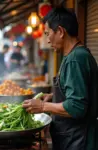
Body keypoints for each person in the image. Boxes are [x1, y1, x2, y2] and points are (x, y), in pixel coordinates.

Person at [23, 7, 98, 150]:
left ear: (61, 31)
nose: (47, 40)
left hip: (79, 140)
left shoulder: (75, 59)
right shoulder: (74, 55)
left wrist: (43, 106)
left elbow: (77, 107)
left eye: (47, 34)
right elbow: (76, 91)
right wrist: (54, 96)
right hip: (72, 137)